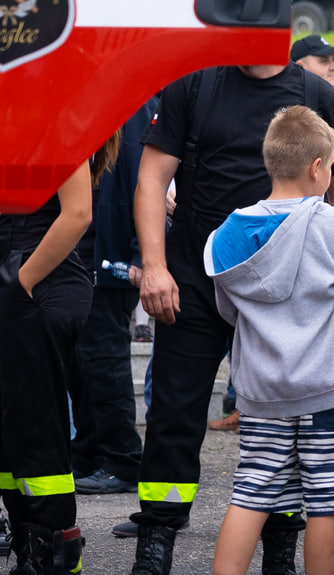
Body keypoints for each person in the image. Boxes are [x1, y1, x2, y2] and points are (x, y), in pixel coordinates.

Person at [127, 62, 334, 574]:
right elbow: (151, 180)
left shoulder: (314, 92)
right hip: (193, 279)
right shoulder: (193, 84)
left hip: (285, 295)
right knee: (173, 411)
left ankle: (280, 549)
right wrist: (155, 266)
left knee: (283, 417)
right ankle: (157, 540)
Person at [206, 105, 334, 575]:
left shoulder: (227, 232)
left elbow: (229, 311)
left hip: (263, 391)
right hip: (330, 389)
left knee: (252, 492)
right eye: (331, 165)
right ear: (316, 168)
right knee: (328, 499)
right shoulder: (333, 224)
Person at [0, 157, 98, 573]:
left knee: (36, 430)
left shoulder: (55, 125)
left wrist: (21, 282)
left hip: (37, 282)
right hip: (19, 278)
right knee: (12, 433)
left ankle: (53, 555)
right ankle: (31, 545)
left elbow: (78, 212)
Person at [70, 97, 158, 497]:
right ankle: (88, 454)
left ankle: (122, 460)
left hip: (110, 256)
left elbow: (146, 179)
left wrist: (142, 252)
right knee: (81, 364)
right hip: (82, 255)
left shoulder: (132, 100)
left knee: (104, 361)